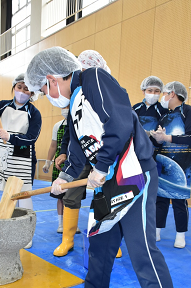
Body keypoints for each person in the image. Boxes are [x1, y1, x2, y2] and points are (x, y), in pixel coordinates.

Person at [25, 46, 186, 288]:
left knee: (143, 253)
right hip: (108, 180)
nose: (45, 94)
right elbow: (76, 149)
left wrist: (100, 167)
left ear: (53, 78)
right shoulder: (72, 106)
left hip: (134, 174)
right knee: (99, 239)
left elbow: (120, 123)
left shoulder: (94, 79)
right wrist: (65, 177)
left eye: (43, 88)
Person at [53, 49, 122, 257]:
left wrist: (102, 166)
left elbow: (116, 127)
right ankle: (68, 239)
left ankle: (108, 241)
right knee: (71, 195)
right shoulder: (75, 96)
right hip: (80, 157)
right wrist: (65, 163)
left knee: (107, 197)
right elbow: (71, 133)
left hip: (104, 156)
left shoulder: (105, 92)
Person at [0, 73, 42, 248]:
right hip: (2, 155)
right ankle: (8, 229)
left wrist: (11, 137)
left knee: (24, 195)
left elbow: (32, 138)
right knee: (7, 194)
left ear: (32, 94)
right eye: (19, 87)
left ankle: (26, 234)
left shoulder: (34, 112)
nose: (22, 91)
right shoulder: (2, 105)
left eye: (26, 89)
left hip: (22, 157)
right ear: (14, 87)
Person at [150, 81, 191, 248]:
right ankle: (156, 231)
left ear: (172, 94)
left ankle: (181, 235)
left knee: (179, 200)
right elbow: (158, 142)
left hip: (182, 164)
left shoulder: (190, 112)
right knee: (161, 198)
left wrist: (167, 138)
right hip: (163, 163)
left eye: (164, 93)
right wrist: (156, 139)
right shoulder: (164, 116)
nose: (163, 97)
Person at [42, 106, 75, 233]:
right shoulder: (58, 126)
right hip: (59, 165)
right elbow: (53, 145)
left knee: (73, 197)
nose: (65, 109)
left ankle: (71, 224)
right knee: (60, 196)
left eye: (68, 107)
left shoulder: (80, 124)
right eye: (64, 107)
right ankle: (61, 224)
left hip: (75, 165)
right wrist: (47, 162)